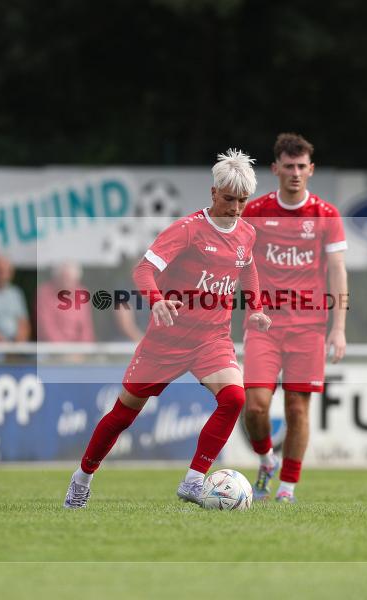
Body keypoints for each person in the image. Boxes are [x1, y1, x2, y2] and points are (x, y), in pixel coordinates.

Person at [63, 149, 271, 509]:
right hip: (167, 340)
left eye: (242, 200)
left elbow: (249, 270)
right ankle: (82, 479)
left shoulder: (246, 234)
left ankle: (193, 481)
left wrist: (255, 308)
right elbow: (143, 270)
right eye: (228, 199)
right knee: (122, 416)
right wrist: (157, 300)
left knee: (235, 397)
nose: (236, 207)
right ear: (213, 192)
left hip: (212, 339)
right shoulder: (187, 230)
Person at [240, 133, 348, 503]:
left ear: (311, 169)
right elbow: (234, 260)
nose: (296, 173)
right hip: (264, 325)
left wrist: (339, 328)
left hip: (308, 328)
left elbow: (337, 270)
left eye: (302, 166)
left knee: (297, 408)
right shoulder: (254, 212)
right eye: (289, 166)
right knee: (254, 406)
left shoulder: (326, 215)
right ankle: (266, 458)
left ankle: (287, 489)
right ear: (275, 169)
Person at [35, 261, 96, 342]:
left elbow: (86, 328)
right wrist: (65, 351)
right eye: (63, 277)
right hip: (50, 348)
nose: (66, 282)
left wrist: (82, 351)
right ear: (56, 278)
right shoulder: (44, 293)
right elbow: (47, 328)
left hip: (78, 351)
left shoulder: (82, 293)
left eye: (70, 279)